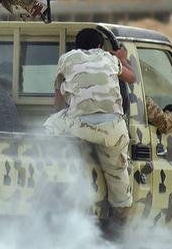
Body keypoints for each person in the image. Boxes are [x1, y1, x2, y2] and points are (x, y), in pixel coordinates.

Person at [44, 28, 137, 228]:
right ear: (99, 46)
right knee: (117, 171)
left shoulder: (66, 59)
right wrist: (122, 58)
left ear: (76, 46)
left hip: (80, 125)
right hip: (113, 129)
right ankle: (121, 219)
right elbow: (132, 78)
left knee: (51, 124)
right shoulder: (109, 59)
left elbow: (58, 105)